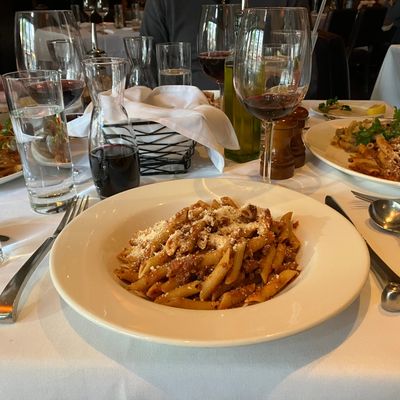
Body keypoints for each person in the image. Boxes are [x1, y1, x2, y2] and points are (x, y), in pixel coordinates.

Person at [140, 0, 310, 89]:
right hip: (184, 122)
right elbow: (147, 74)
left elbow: (304, 78)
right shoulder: (164, 3)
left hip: (262, 116)